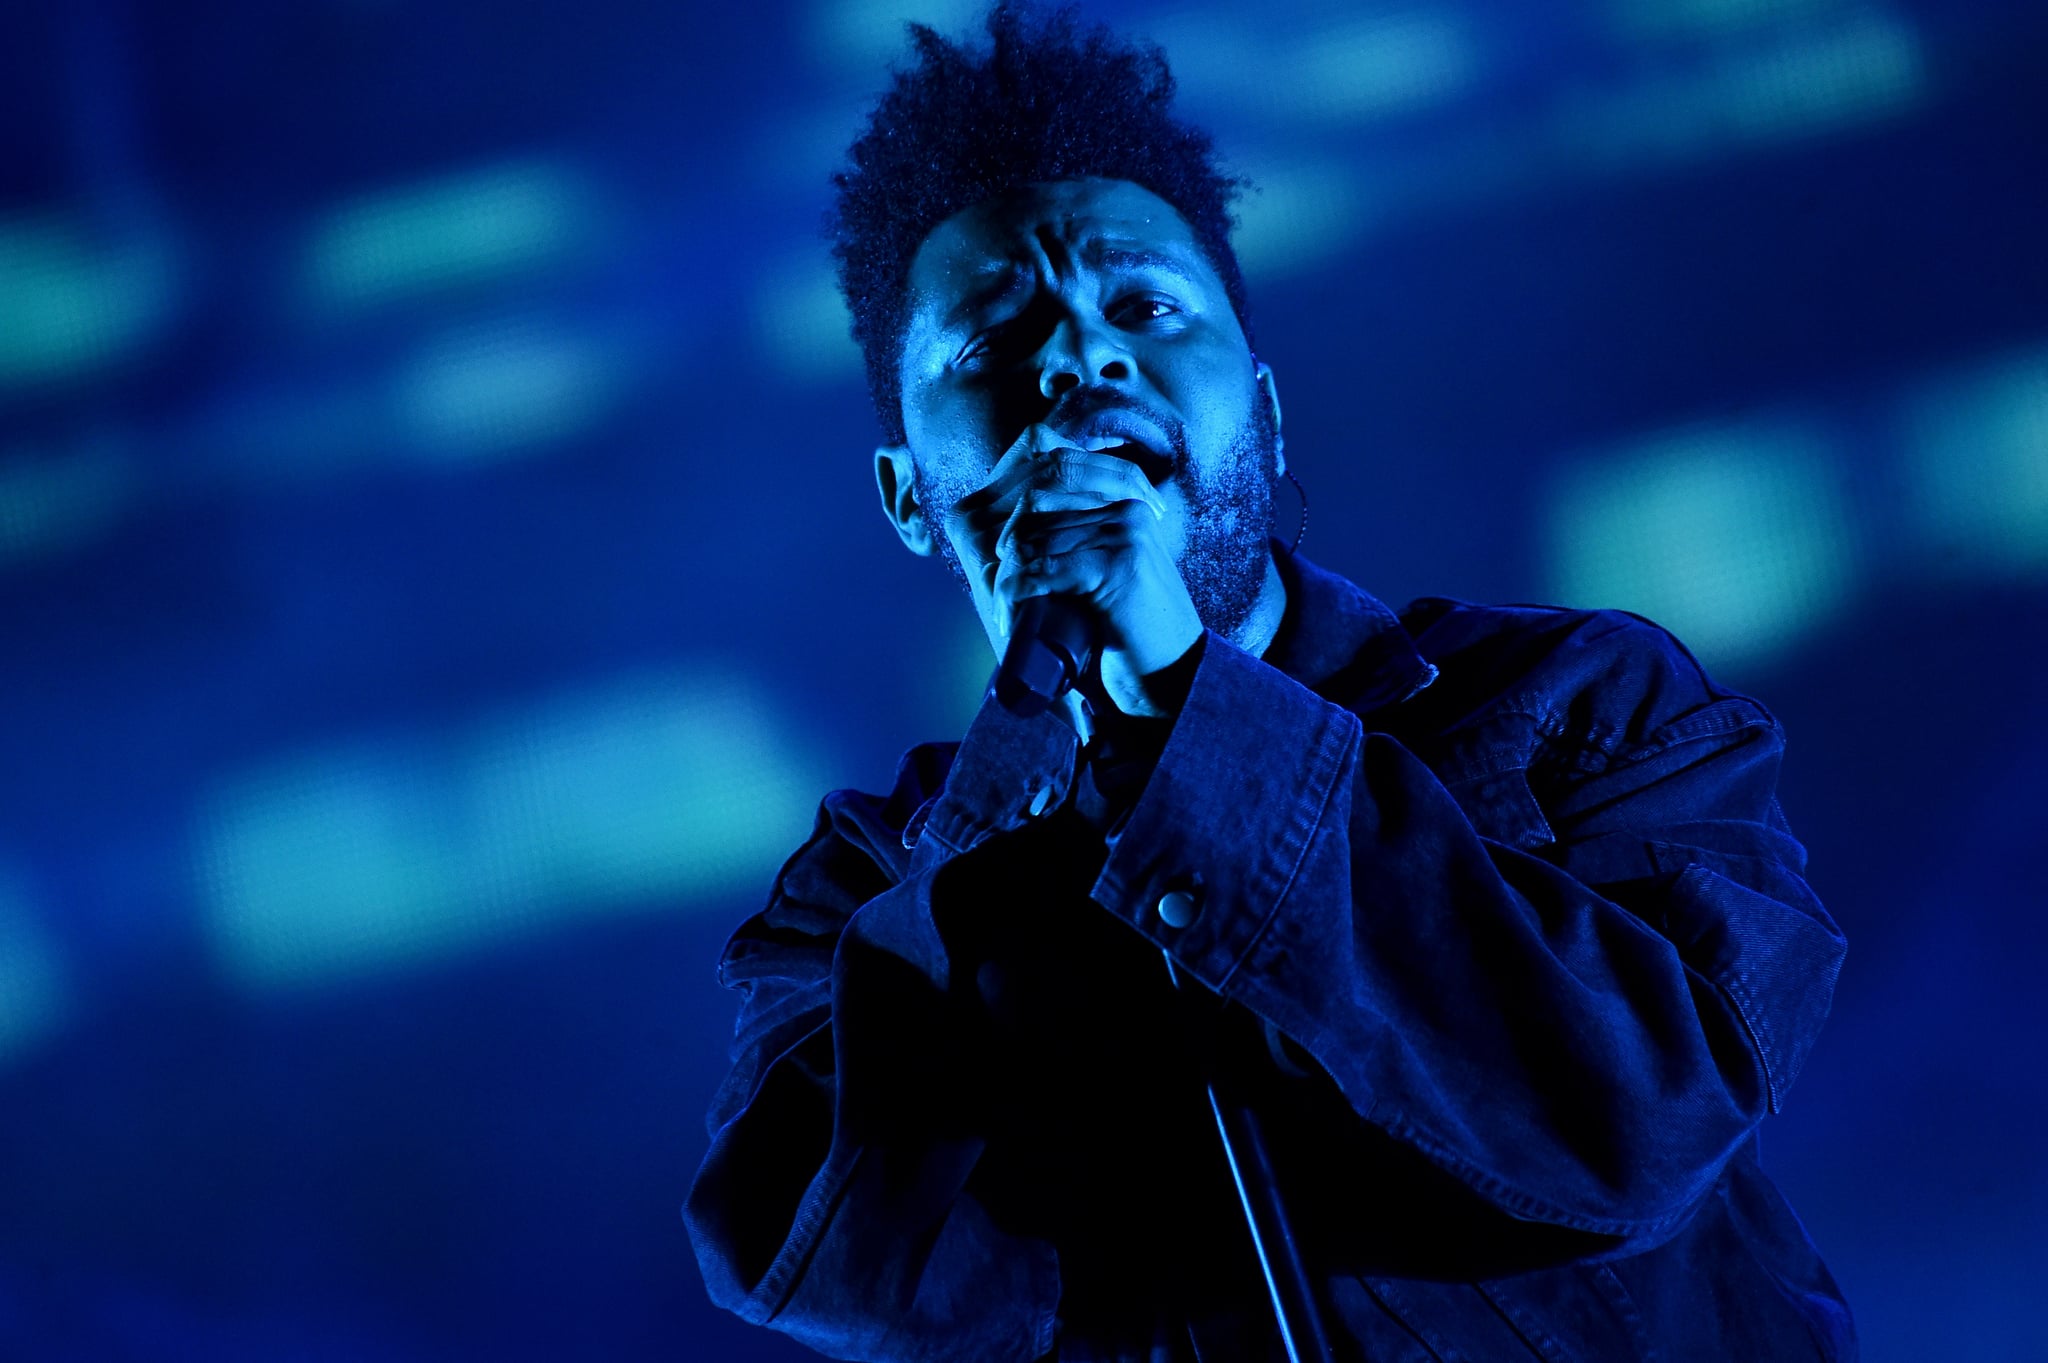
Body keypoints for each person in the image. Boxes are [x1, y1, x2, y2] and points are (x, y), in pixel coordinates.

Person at [683, 5, 1855, 1360]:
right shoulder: (857, 896)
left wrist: (1189, 703)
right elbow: (832, 1266)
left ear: (1265, 405)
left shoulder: (1580, 705)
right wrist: (1042, 772)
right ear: (908, 498)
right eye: (995, 343)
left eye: (1144, 305)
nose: (1077, 361)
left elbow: (1640, 1126)